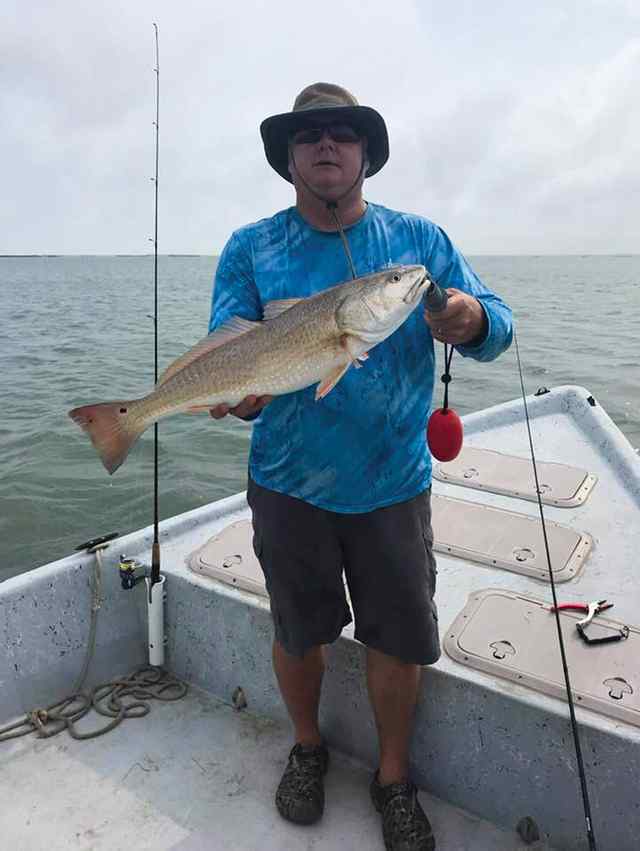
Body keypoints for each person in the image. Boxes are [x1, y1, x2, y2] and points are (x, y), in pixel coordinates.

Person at [208, 83, 513, 851]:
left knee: (398, 638)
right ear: (288, 159)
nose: (326, 146)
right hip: (288, 484)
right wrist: (238, 394)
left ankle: (394, 776)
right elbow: (227, 342)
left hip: (392, 485)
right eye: (308, 136)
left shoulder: (417, 244)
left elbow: (498, 325)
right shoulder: (251, 247)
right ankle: (308, 748)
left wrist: (472, 319)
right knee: (298, 629)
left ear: (366, 153)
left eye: (343, 134)